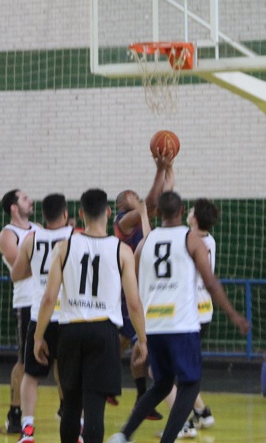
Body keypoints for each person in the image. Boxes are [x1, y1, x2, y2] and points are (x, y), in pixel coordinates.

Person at [108, 191, 249, 443]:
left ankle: (123, 434)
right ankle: (172, 436)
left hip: (153, 326)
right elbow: (211, 283)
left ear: (159, 213)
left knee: (161, 385)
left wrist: (140, 334)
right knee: (190, 384)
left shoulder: (144, 243)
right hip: (182, 326)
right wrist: (233, 314)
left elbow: (133, 289)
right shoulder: (192, 239)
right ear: (182, 212)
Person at [33, 188, 148, 443]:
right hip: (104, 332)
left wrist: (38, 337)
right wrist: (143, 339)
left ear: (81, 214)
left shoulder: (64, 247)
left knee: (71, 406)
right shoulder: (122, 250)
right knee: (95, 408)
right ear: (108, 212)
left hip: (71, 331)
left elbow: (49, 298)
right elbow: (134, 303)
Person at [112, 153, 174, 418]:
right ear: (123, 205)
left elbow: (162, 199)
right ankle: (129, 393)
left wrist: (169, 168)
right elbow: (149, 202)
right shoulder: (123, 221)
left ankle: (133, 395)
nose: (135, 196)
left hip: (141, 291)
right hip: (128, 295)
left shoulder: (143, 216)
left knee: (128, 344)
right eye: (131, 196)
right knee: (141, 347)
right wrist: (159, 171)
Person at [10, 193, 72, 443]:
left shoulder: (31, 239)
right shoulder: (74, 237)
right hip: (68, 315)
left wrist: (36, 270)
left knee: (32, 375)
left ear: (43, 216)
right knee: (69, 374)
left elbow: (16, 274)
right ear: (65, 214)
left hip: (40, 317)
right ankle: (74, 426)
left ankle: (27, 429)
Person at [157, 199, 220, 439]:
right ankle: (202, 411)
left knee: (161, 372)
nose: (189, 212)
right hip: (205, 311)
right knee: (182, 370)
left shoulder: (187, 242)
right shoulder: (208, 240)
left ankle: (183, 423)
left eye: (191, 210)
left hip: (188, 314)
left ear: (193, 219)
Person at [0, 189, 40, 435]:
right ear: (14, 207)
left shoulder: (38, 228)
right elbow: (19, 266)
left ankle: (66, 408)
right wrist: (49, 263)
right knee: (25, 361)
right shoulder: (7, 234)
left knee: (59, 359)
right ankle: (15, 413)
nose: (30, 200)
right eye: (25, 198)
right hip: (26, 301)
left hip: (50, 299)